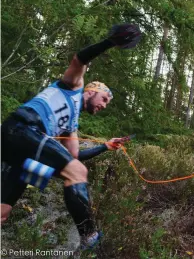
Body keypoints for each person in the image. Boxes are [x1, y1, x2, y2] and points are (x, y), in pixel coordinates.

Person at [1, 24, 142, 249]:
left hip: (21, 154)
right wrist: (110, 42)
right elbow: (79, 59)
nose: (104, 106)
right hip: (20, 128)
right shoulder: (74, 87)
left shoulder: (71, 126)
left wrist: (105, 146)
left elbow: (74, 161)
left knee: (3, 212)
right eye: (104, 99)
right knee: (76, 172)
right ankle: (91, 240)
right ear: (91, 91)